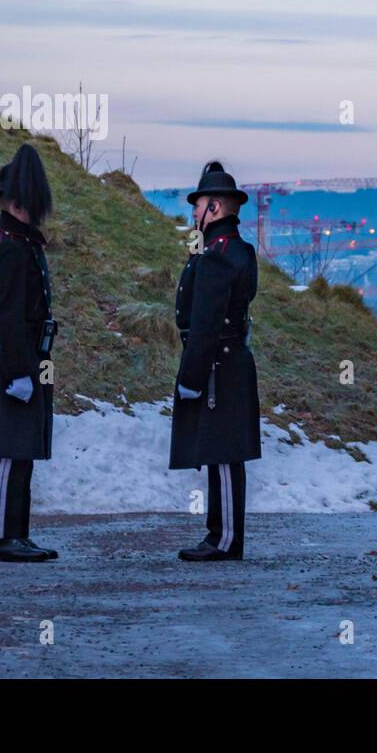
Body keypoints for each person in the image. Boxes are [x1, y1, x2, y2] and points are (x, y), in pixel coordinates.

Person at [170, 161, 261, 561]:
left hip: (217, 364)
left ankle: (223, 539)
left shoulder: (218, 256)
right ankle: (219, 534)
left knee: (223, 453)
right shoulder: (234, 249)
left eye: (199, 204)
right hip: (229, 360)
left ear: (216, 208)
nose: (193, 213)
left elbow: (206, 323)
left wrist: (189, 376)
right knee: (222, 451)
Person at [0, 144, 59, 563]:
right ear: (14, 203)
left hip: (29, 355)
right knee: (9, 448)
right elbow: (7, 317)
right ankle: (2, 536)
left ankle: (18, 533)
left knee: (22, 445)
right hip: (16, 357)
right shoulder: (9, 247)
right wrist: (18, 372)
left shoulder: (21, 243)